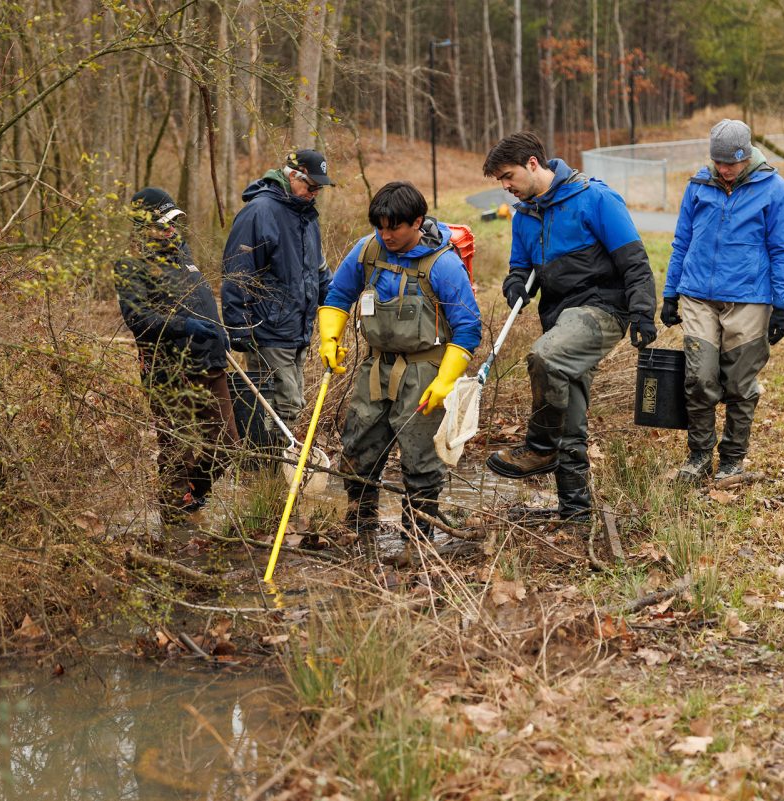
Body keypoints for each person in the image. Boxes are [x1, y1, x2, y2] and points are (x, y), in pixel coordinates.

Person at [482, 131, 657, 522]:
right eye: (500, 182)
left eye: (508, 176)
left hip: (603, 308)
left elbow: (635, 261)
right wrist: (514, 283)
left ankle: (540, 446)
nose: (506, 187)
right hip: (560, 317)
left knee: (546, 356)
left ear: (532, 163)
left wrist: (643, 312)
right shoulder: (525, 215)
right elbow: (519, 267)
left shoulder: (595, 198)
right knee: (570, 414)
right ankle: (575, 510)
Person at [318, 182, 481, 540]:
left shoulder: (444, 265)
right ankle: (360, 527)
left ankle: (418, 539)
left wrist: (446, 380)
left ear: (417, 222)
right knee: (358, 450)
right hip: (375, 368)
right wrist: (330, 338)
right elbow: (338, 295)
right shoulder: (367, 250)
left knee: (421, 461)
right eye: (380, 226)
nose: (386, 234)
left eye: (394, 227)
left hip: (426, 371)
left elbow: (469, 328)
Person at [661, 119, 784, 482]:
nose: (724, 170)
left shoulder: (774, 189)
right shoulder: (698, 184)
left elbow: (783, 250)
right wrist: (671, 293)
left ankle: (733, 460)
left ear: (747, 155)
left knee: (739, 384)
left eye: (731, 163)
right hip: (697, 296)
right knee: (699, 377)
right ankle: (700, 455)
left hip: (750, 298)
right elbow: (682, 241)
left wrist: (781, 306)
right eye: (718, 162)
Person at [114, 187, 240, 525]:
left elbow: (199, 299)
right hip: (169, 371)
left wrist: (218, 330)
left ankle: (194, 495)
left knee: (227, 442)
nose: (172, 229)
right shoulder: (131, 264)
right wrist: (187, 326)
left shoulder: (182, 252)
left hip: (210, 362)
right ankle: (173, 525)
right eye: (164, 223)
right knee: (177, 451)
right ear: (143, 225)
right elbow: (139, 319)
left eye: (174, 222)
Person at [221, 149, 333, 427]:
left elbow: (318, 271)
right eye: (311, 186)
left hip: (298, 328)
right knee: (281, 405)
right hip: (267, 329)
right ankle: (269, 467)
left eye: (320, 188)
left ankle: (271, 465)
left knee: (290, 403)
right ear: (292, 176)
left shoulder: (307, 217)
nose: (315, 193)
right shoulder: (259, 213)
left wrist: (337, 304)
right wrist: (239, 327)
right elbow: (237, 274)